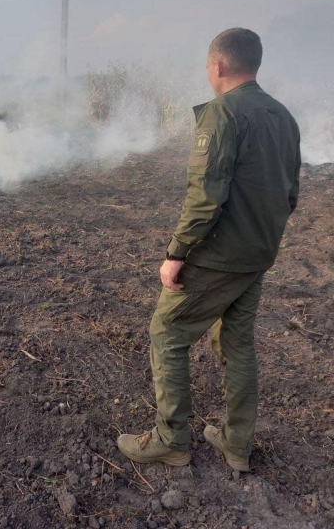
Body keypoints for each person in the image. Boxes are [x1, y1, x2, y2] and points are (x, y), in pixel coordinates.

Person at [116, 28, 301, 472]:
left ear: (217, 65)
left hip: (219, 256)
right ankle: (236, 444)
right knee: (237, 344)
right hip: (258, 254)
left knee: (167, 333)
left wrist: (176, 252)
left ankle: (170, 440)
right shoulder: (283, 116)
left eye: (206, 65)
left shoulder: (223, 115)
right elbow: (290, 192)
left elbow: (205, 197)